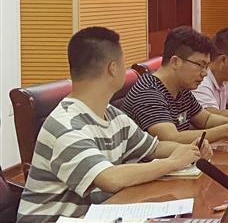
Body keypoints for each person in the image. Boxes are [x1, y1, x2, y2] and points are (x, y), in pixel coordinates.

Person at [17, 27, 203, 222]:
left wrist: (189, 150)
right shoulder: (65, 124)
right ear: (113, 68)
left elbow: (154, 148)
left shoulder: (112, 114)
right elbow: (110, 178)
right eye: (123, 63)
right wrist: (172, 162)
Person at [122, 26, 228, 144]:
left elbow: (206, 119)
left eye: (206, 66)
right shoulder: (148, 92)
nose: (205, 73)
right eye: (200, 65)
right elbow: (171, 138)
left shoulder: (181, 88)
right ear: (176, 62)